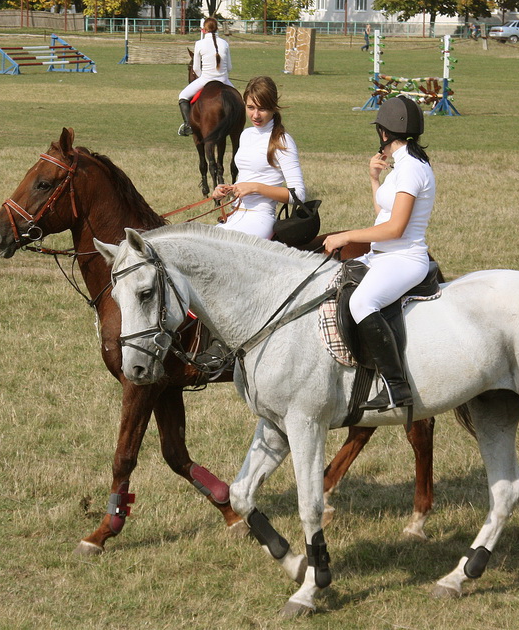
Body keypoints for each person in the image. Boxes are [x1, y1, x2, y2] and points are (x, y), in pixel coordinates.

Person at [322, 96, 434, 412]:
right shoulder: (403, 166)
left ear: (383, 133)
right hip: (384, 256)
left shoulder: (411, 170)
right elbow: (383, 214)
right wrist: (373, 180)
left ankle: (396, 387)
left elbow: (395, 229)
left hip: (404, 258)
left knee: (361, 302)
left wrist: (345, 236)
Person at [210, 76, 305, 240]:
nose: (255, 115)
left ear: (274, 108)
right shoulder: (246, 135)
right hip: (235, 213)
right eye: (250, 107)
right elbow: (248, 178)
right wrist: (229, 190)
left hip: (260, 218)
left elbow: (298, 195)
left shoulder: (282, 141)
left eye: (262, 109)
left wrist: (255, 187)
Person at [177, 17, 233, 137]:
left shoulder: (199, 44)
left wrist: (206, 76)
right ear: (217, 29)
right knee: (240, 101)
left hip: (205, 79)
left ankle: (188, 125)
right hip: (224, 80)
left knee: (182, 96)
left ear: (203, 30)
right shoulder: (225, 43)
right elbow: (229, 68)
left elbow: (196, 68)